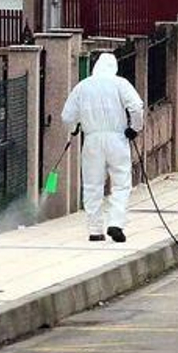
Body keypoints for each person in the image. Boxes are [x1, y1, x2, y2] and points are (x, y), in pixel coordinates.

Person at [60, 52, 146, 242]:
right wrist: (134, 128)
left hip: (91, 139)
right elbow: (137, 106)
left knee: (92, 185)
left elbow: (67, 116)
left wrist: (75, 128)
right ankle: (116, 223)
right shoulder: (120, 83)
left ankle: (95, 230)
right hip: (117, 138)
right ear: (114, 67)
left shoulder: (82, 87)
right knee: (121, 183)